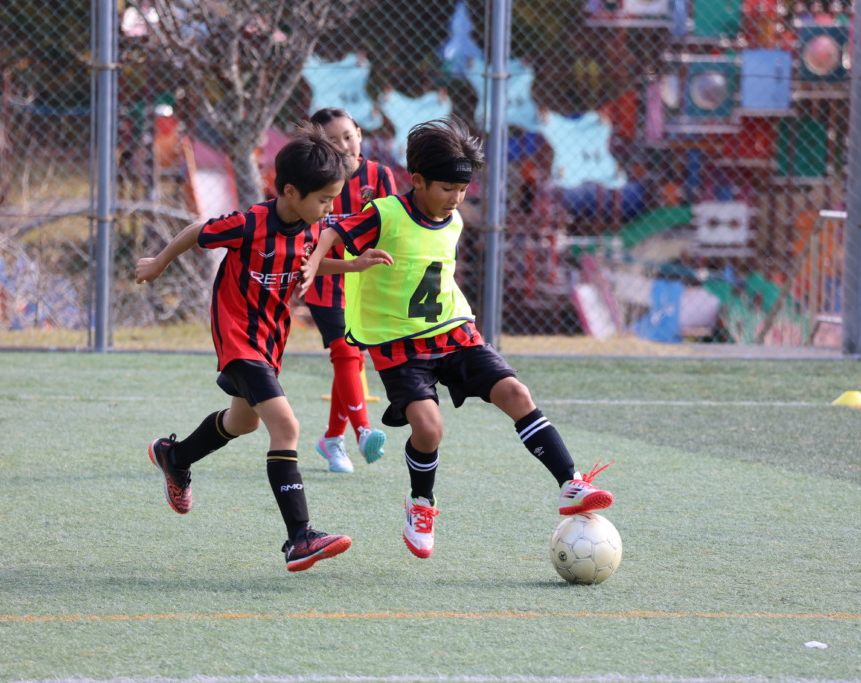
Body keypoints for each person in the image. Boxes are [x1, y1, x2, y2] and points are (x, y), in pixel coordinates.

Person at [305, 117, 614, 559]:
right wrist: (313, 263)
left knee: (516, 393)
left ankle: (571, 482)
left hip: (454, 332)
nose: (456, 197)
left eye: (463, 189)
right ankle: (421, 503)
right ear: (417, 181)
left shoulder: (453, 221)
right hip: (399, 346)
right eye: (447, 188)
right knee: (429, 429)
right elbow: (332, 233)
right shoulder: (385, 214)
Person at [134, 121, 393, 572]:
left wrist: (353, 266)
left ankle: (175, 456)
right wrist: (158, 263)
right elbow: (197, 230)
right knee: (286, 427)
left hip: (270, 340)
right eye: (324, 199)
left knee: (243, 421)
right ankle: (300, 538)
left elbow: (308, 263)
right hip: (238, 338)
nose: (330, 208)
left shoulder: (309, 228)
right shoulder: (250, 223)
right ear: (290, 191)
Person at [304, 107, 396, 473]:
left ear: (359, 133)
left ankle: (331, 439)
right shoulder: (314, 181)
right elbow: (309, 234)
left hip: (364, 284)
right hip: (326, 281)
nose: (344, 145)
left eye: (348, 136)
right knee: (345, 351)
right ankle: (362, 432)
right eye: (333, 140)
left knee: (353, 358)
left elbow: (390, 227)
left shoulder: (379, 175)